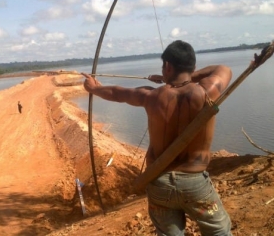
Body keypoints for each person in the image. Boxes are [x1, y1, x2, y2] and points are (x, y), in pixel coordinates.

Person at [82, 40, 233, 235]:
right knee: (219, 230)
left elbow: (116, 93)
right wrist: (185, 77)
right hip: (194, 183)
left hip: (159, 182)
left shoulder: (150, 97)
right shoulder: (206, 92)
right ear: (192, 66)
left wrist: (93, 88)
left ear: (167, 66)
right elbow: (223, 69)